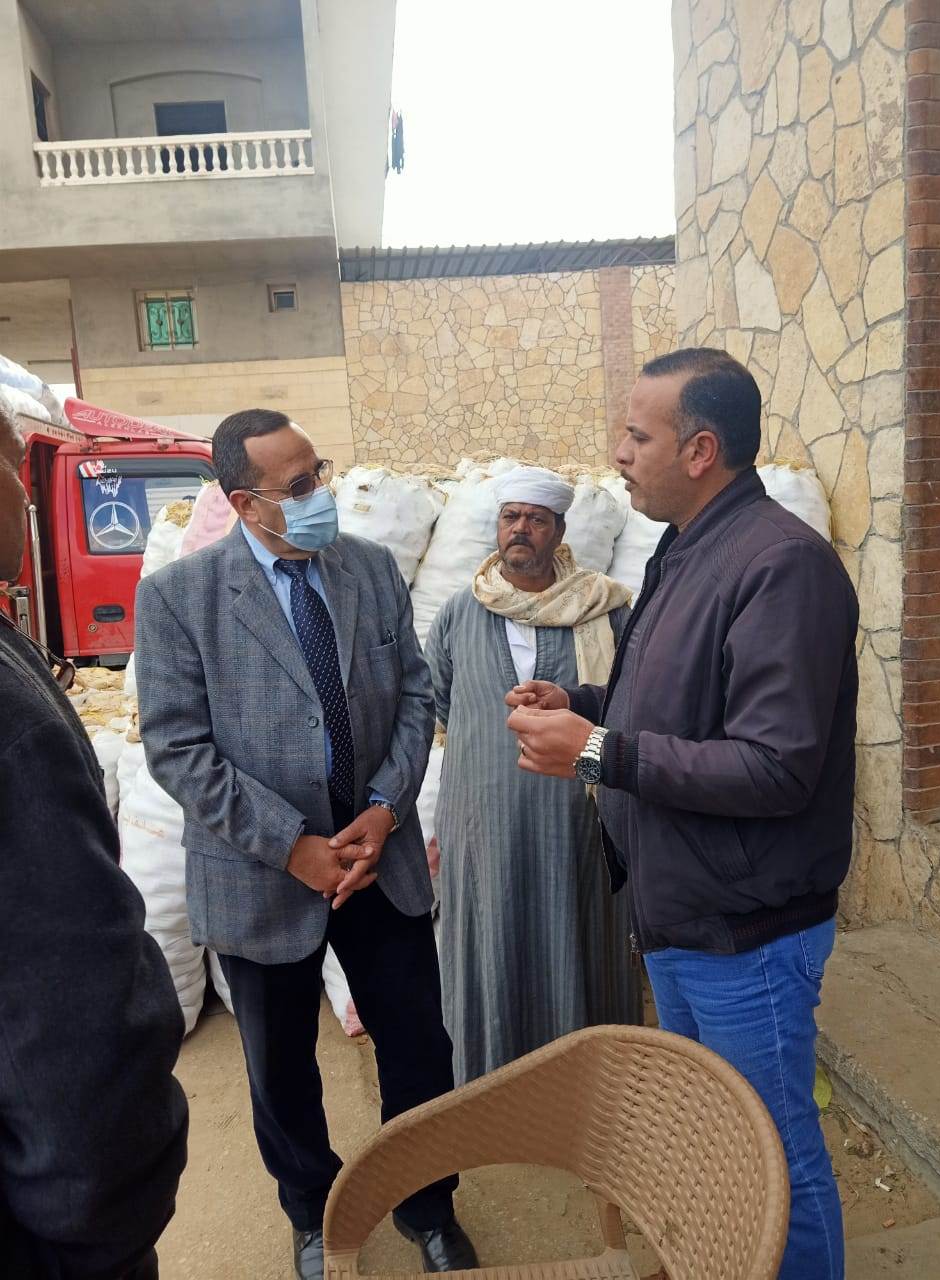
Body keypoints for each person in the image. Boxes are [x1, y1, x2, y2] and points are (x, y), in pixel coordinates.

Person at [505, 349, 857, 1280]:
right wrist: (585, 704)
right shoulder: (686, 545)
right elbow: (677, 706)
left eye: (637, 435)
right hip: (679, 910)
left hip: (748, 931)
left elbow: (776, 766)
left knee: (775, 1153)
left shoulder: (782, 565)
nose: (619, 453)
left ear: (701, 451)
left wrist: (595, 750)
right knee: (718, 1137)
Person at [134, 409, 477, 1280]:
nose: (320, 493)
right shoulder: (180, 597)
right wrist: (291, 846)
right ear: (244, 503)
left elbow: (414, 695)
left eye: (318, 472)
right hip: (262, 875)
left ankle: (429, 1205)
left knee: (417, 1046)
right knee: (282, 1068)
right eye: (297, 486)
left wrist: (385, 808)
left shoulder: (367, 567)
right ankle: (315, 1215)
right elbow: (178, 748)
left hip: (378, 862)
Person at [0, 400, 188, 1278]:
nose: (25, 497)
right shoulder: (11, 721)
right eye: (13, 470)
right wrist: (106, 1222)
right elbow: (67, 1007)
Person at [426, 467, 639, 1084]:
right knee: (491, 946)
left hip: (576, 825)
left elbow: (626, 704)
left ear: (559, 531)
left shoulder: (603, 609)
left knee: (579, 940)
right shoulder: (460, 612)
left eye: (536, 519)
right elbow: (443, 704)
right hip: (483, 823)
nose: (520, 529)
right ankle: (494, 1088)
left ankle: (585, 1087)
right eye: (510, 517)